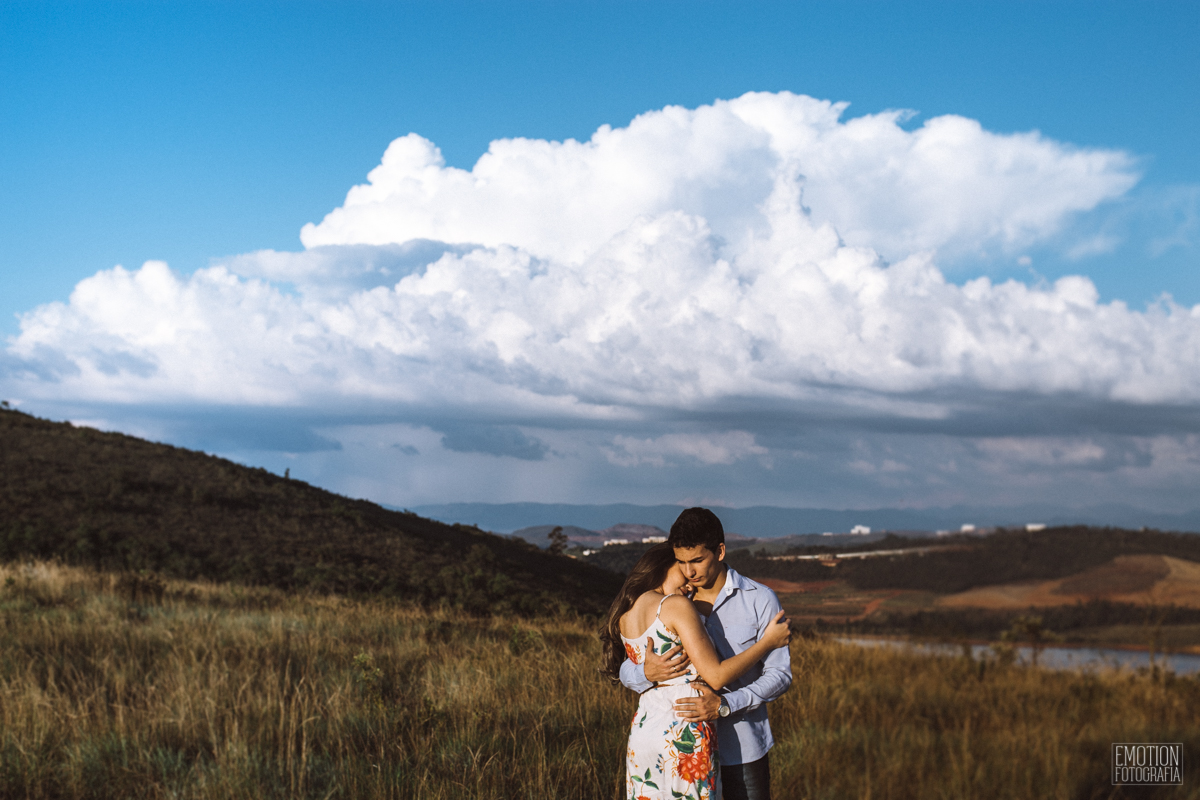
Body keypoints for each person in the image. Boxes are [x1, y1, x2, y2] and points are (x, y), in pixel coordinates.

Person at [621, 508, 793, 800]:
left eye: (697, 560)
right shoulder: (676, 598)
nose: (689, 571)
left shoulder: (760, 599)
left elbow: (780, 675)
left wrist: (726, 705)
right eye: (681, 562)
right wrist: (644, 673)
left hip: (742, 748)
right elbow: (628, 665)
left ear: (720, 551)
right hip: (682, 747)